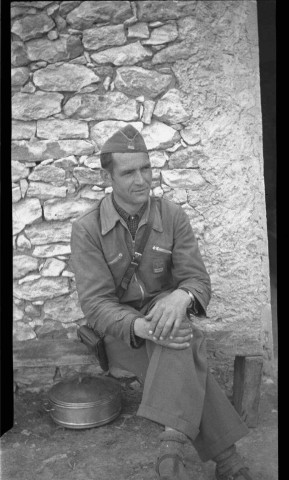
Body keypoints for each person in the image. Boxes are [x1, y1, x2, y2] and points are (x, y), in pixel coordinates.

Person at [71, 124, 253, 480]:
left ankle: (171, 451)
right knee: (184, 341)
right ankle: (225, 461)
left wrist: (180, 297)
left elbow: (197, 280)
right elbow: (95, 305)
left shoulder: (171, 215)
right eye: (128, 172)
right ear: (108, 176)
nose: (141, 180)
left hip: (169, 324)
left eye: (146, 168)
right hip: (124, 335)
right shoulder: (88, 229)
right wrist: (143, 327)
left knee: (177, 333)